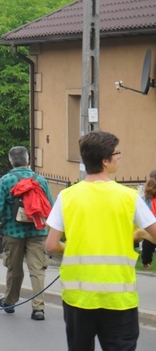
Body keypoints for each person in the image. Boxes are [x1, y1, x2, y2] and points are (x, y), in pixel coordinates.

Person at [46, 131, 156, 351]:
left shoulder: (67, 196)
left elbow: (50, 245)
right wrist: (138, 235)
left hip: (78, 298)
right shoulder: (128, 197)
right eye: (117, 153)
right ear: (105, 161)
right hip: (118, 297)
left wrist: (71, 247)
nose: (120, 157)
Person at [0, 146, 53, 320]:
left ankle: (10, 302)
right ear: (28, 160)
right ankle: (38, 307)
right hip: (37, 230)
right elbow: (51, 204)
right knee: (38, 269)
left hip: (13, 231)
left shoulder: (6, 180)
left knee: (14, 268)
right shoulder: (40, 179)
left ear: (11, 161)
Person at [142, 170, 156, 271]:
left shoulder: (148, 191)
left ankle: (146, 263)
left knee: (147, 243)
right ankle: (146, 262)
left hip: (149, 222)